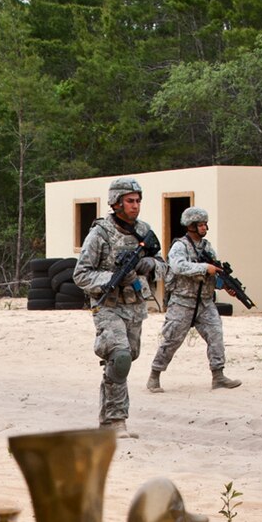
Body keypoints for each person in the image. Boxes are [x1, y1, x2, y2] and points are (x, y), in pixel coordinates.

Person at [72, 177, 163, 435]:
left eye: (138, 201)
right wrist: (112, 278)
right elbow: (81, 275)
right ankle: (115, 421)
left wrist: (152, 265)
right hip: (108, 305)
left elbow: (163, 264)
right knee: (120, 356)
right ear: (116, 203)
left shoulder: (144, 231)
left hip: (134, 306)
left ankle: (107, 420)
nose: (135, 206)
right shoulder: (100, 234)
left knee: (127, 358)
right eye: (129, 201)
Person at [147, 206, 240, 392]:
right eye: (201, 224)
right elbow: (178, 267)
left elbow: (213, 272)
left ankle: (218, 375)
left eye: (206, 224)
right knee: (171, 340)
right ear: (191, 226)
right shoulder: (180, 246)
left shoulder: (207, 247)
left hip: (204, 302)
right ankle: (155, 375)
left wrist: (225, 285)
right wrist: (204, 268)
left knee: (216, 335)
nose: (205, 228)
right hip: (183, 301)